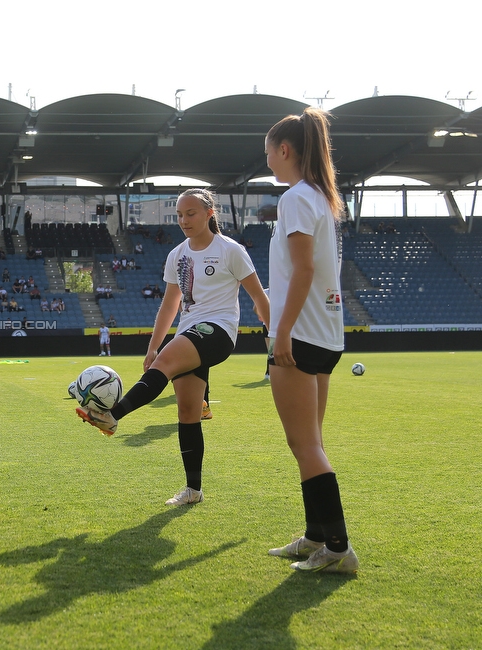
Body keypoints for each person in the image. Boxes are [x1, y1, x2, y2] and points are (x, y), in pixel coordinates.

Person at [77, 188, 269, 508]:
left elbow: (259, 297)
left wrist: (276, 338)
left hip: (218, 331)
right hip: (190, 331)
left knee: (163, 367)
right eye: (179, 215)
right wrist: (153, 347)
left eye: (190, 213)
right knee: (188, 413)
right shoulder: (177, 254)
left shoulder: (230, 250)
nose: (183, 220)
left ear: (210, 213)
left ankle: (111, 416)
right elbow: (169, 304)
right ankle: (193, 490)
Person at [263, 108, 359, 573]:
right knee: (309, 442)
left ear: (285, 150)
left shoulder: (297, 198)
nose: (268, 165)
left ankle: (338, 549)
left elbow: (302, 270)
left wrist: (280, 333)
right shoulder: (321, 196)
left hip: (299, 336)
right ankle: (315, 537)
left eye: (269, 155)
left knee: (305, 445)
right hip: (324, 334)